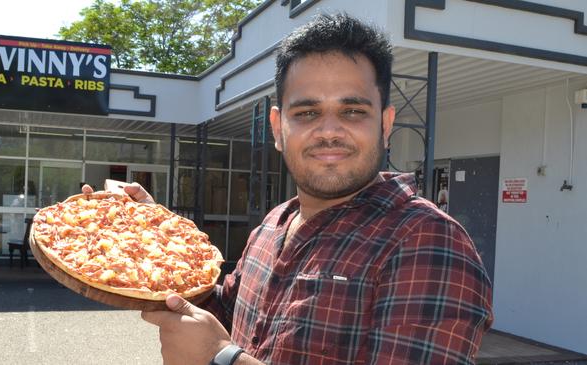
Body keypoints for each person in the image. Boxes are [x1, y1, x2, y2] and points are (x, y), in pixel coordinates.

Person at [99, 13, 493, 365]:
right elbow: (220, 312)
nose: (329, 131)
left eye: (353, 111)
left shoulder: (428, 240)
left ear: (386, 125)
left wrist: (219, 359)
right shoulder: (273, 225)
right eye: (307, 113)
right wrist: (155, 235)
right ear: (277, 128)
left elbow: (216, 344)